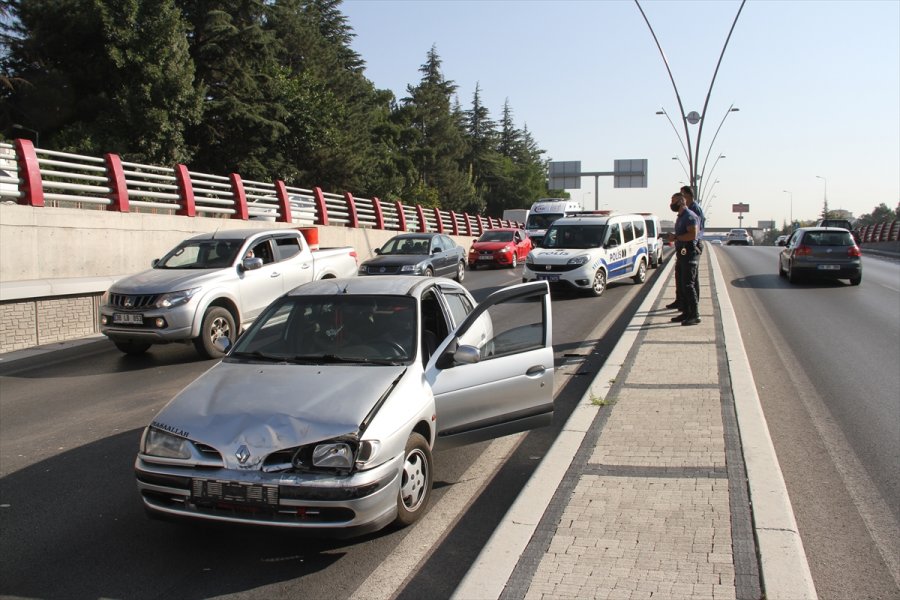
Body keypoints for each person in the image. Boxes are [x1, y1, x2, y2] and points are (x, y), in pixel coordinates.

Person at [666, 193, 701, 326]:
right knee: (682, 284)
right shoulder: (681, 217)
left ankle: (694, 314)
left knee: (688, 284)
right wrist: (675, 237)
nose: (671, 204)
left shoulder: (689, 216)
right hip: (681, 253)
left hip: (689, 253)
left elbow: (692, 234)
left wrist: (676, 238)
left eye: (673, 201)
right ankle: (686, 312)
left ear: (681, 201)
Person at [680, 185, 704, 309]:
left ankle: (693, 308)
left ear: (688, 195)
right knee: (686, 278)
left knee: (691, 279)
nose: (680, 197)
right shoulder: (688, 209)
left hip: (693, 244)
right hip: (688, 245)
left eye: (682, 194)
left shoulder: (694, 209)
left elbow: (696, 230)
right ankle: (685, 304)